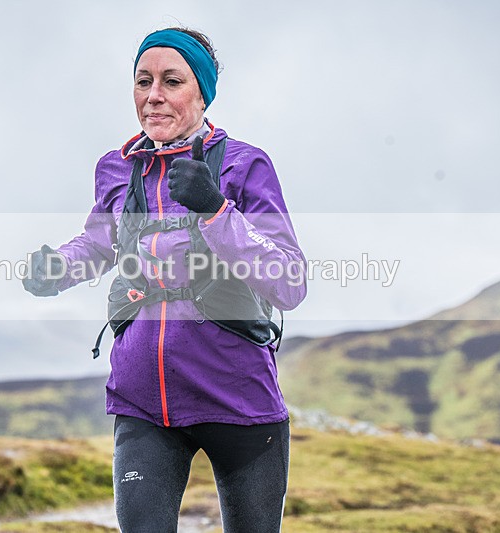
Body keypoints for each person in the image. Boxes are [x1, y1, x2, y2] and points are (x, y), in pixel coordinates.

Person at [23, 27, 306, 532]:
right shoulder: (117, 169)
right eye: (142, 81)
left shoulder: (245, 164)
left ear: (201, 92)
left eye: (171, 81)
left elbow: (288, 281)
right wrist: (57, 270)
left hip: (238, 399)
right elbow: (99, 243)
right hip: (142, 401)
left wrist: (216, 209)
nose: (153, 95)